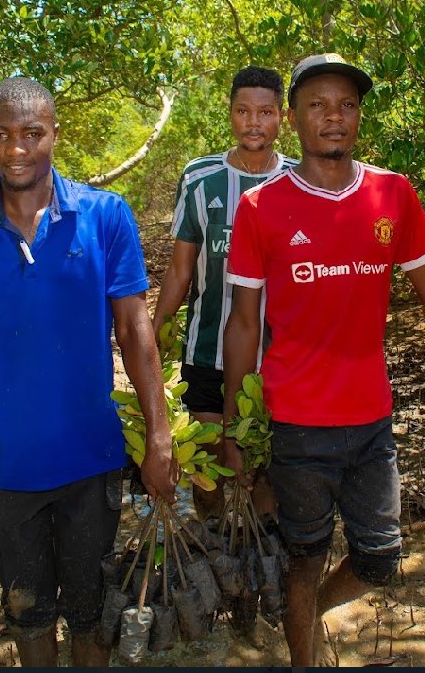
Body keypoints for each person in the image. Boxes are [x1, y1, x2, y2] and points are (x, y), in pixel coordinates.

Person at [221, 53, 425, 667]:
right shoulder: (261, 208)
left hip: (370, 420)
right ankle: (303, 647)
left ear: (358, 116)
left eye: (347, 105)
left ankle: (302, 616)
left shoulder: (392, 193)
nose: (334, 118)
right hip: (296, 422)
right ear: (294, 119)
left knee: (378, 562)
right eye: (317, 105)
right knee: (305, 558)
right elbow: (244, 322)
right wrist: (233, 427)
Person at [0, 76, 176, 667]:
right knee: (26, 611)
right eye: (0, 135)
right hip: (4, 467)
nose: (15, 150)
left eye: (31, 134)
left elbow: (135, 330)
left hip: (92, 460)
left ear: (55, 134)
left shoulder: (105, 216)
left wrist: (159, 433)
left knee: (91, 612)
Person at [151, 65, 296, 520]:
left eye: (265, 112)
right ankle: (214, 548)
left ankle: (262, 561)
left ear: (282, 118)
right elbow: (179, 271)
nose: (254, 122)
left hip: (278, 356)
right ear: (230, 114)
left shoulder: (300, 180)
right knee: (209, 470)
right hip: (207, 350)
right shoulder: (200, 178)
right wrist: (152, 337)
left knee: (266, 476)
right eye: (243, 111)